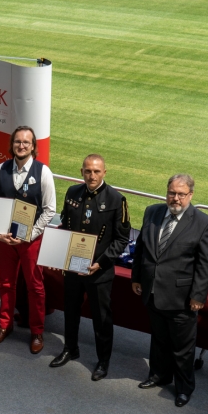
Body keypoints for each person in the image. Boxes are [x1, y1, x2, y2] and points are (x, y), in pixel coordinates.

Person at [131, 174, 208, 407]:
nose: (176, 198)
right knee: (159, 339)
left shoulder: (204, 223)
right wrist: (137, 277)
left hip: (182, 298)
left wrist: (198, 295)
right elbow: (141, 247)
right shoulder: (152, 212)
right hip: (152, 291)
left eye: (181, 194)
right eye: (172, 193)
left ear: (191, 195)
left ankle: (183, 388)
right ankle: (159, 375)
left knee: (182, 348)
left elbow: (207, 264)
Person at [49, 154, 130, 381]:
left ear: (104, 172)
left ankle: (103, 361)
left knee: (101, 318)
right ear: (81, 172)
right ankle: (70, 349)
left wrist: (101, 263)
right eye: (87, 171)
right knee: (70, 310)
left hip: (98, 271)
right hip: (73, 268)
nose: (92, 176)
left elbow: (121, 239)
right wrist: (57, 253)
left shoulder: (116, 199)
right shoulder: (73, 192)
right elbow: (66, 225)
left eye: (96, 171)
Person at [0, 126, 56, 354]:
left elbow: (50, 209)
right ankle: (5, 325)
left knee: (35, 286)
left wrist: (30, 234)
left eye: (26, 142)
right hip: (5, 239)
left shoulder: (43, 172)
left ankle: (37, 331)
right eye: (18, 141)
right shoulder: (0, 169)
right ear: (12, 145)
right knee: (6, 284)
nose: (21, 145)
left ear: (33, 146)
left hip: (31, 240)